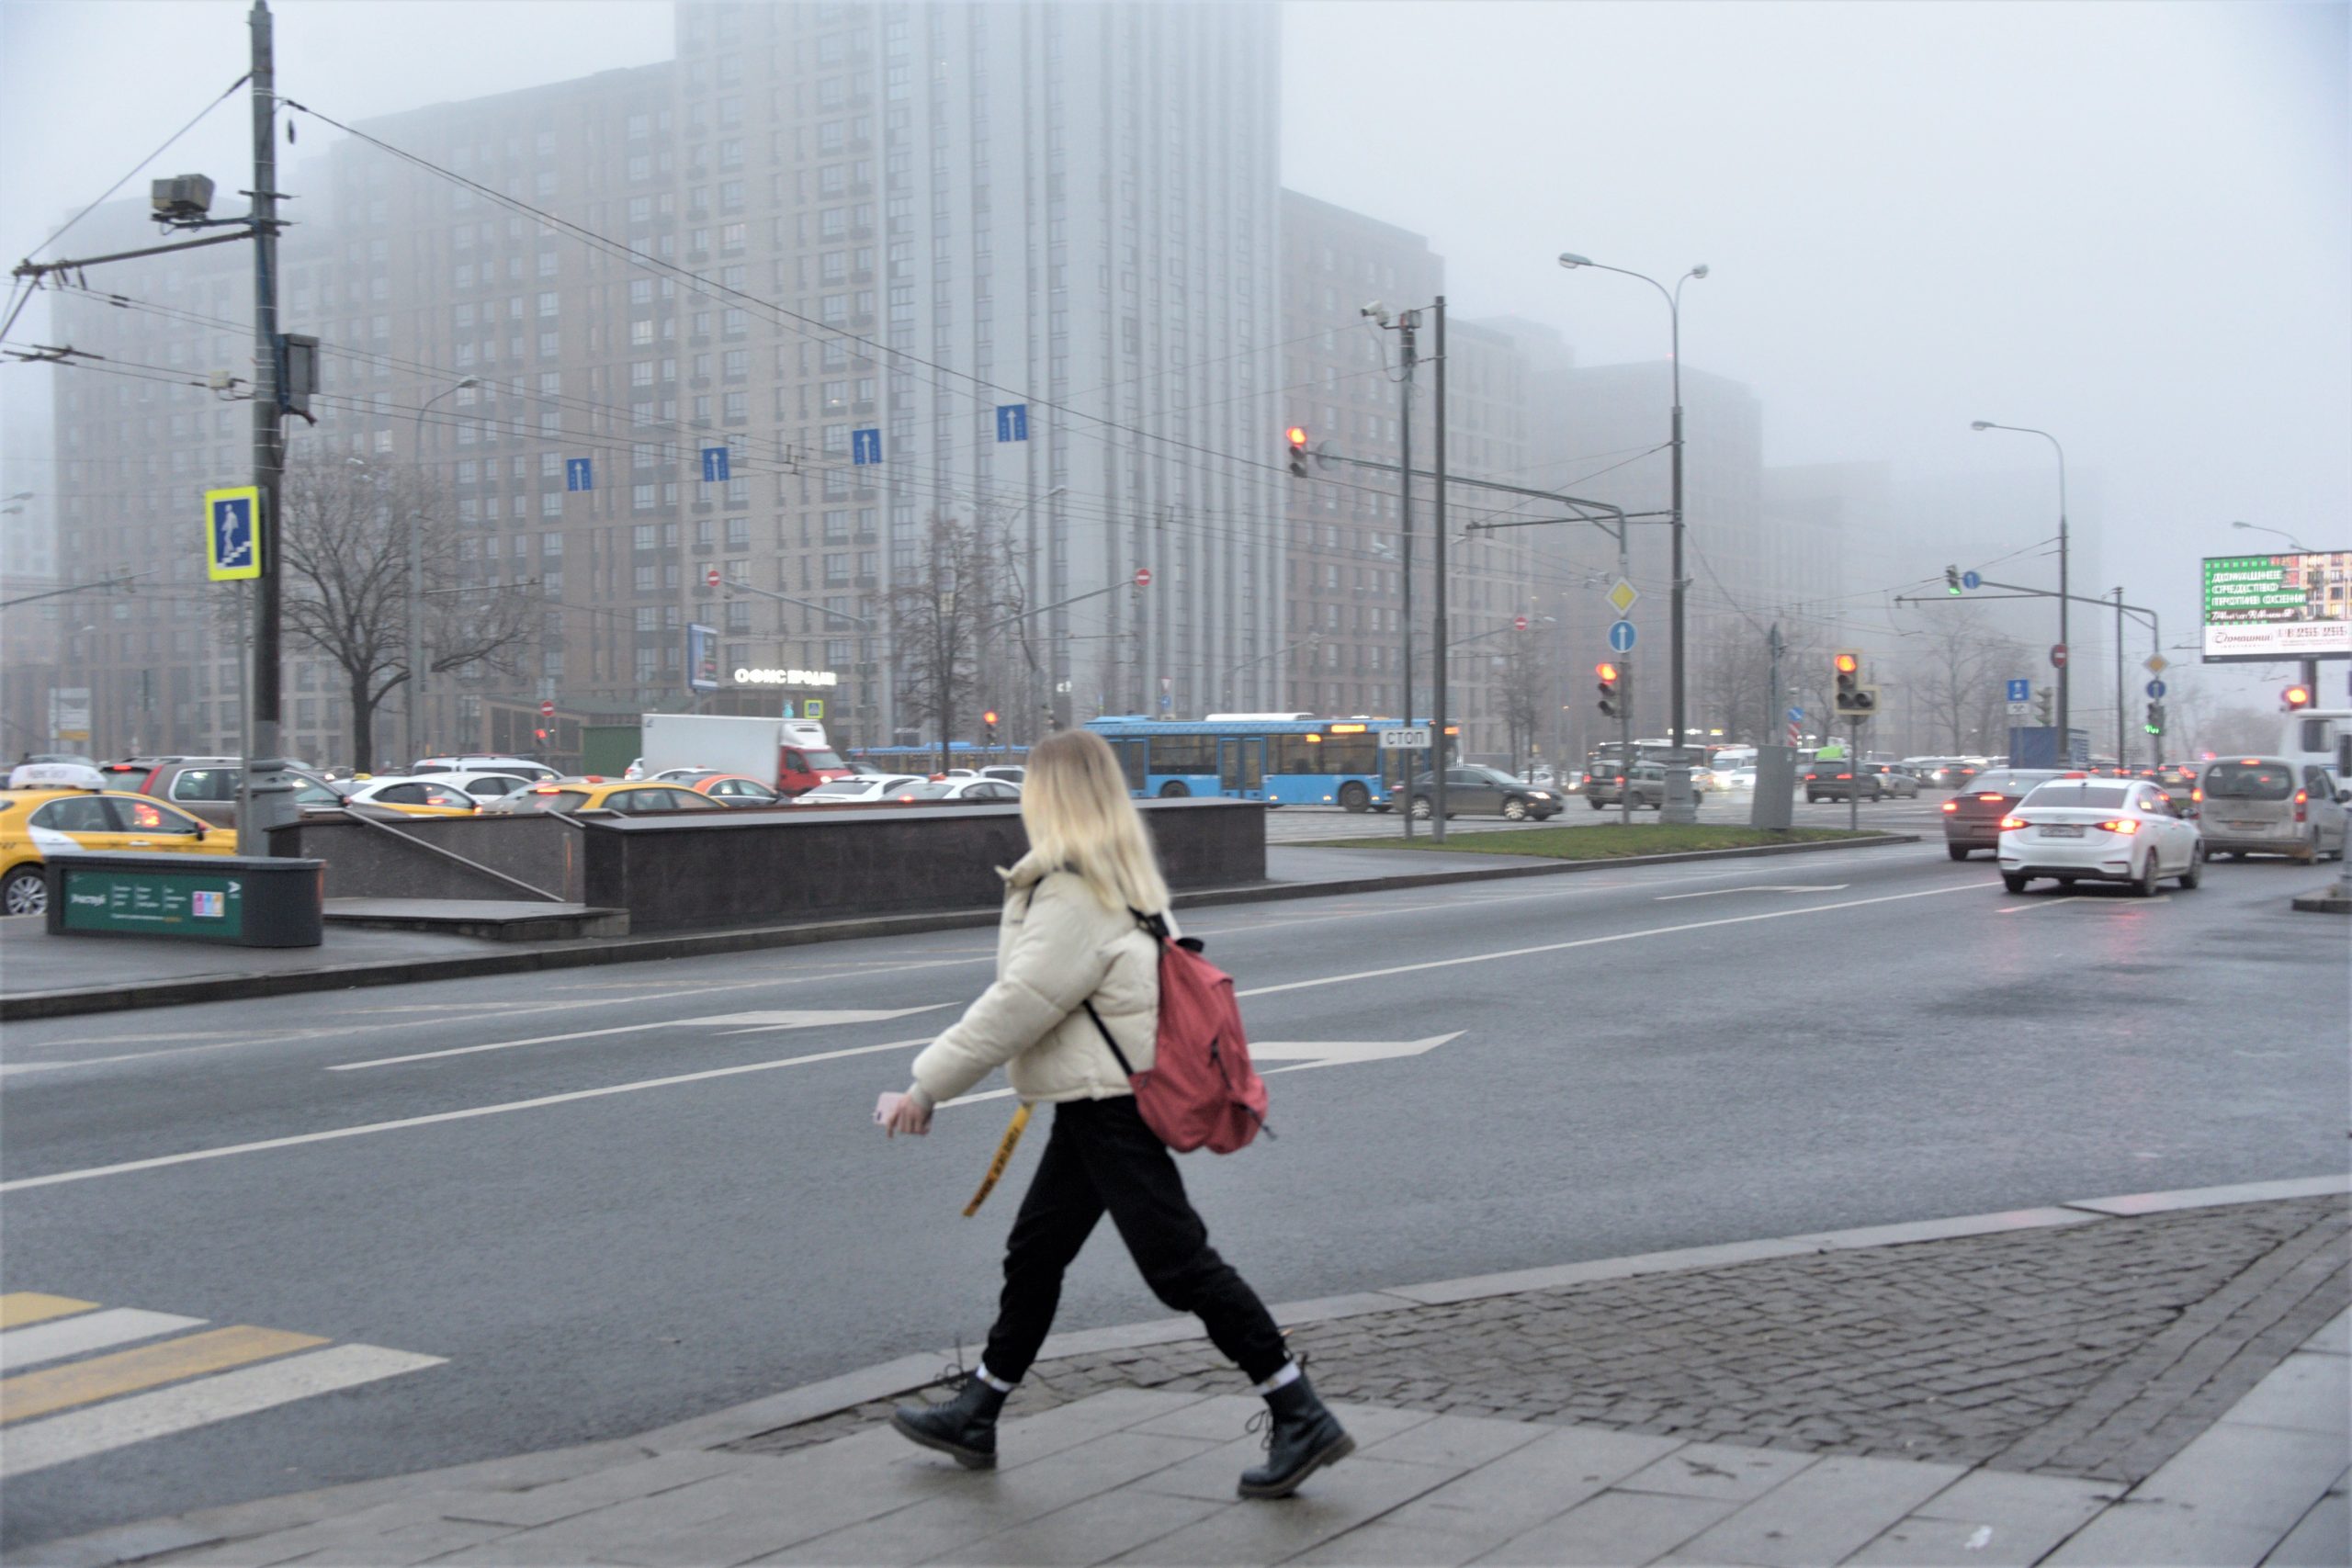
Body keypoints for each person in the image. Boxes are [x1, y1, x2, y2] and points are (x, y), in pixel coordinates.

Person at [878, 728, 1351, 1499]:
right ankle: (980, 1408)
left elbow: (1018, 1005)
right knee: (1036, 1252)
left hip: (1110, 1109)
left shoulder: (1072, 890)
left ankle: (1298, 1408)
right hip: (1095, 1101)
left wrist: (924, 1086)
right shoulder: (1118, 878)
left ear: (1051, 796)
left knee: (1181, 1265)